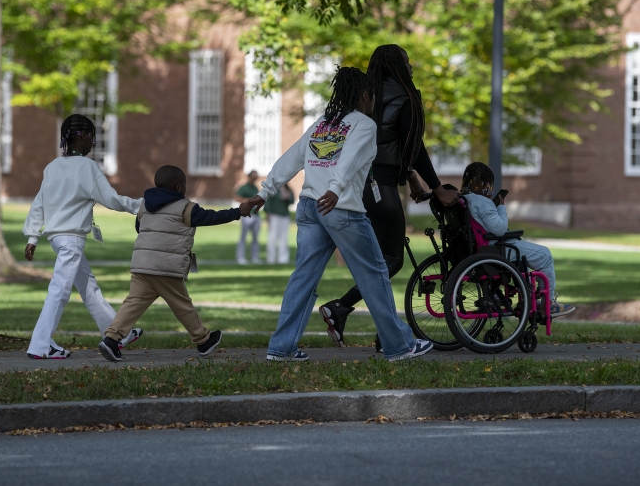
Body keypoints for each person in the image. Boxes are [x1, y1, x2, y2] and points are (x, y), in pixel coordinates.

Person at [244, 67, 434, 362]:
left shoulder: (322, 123)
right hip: (339, 207)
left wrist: (265, 191)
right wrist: (335, 188)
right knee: (374, 274)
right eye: (373, 96)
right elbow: (348, 158)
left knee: (303, 278)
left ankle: (281, 348)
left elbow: (292, 157)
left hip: (309, 206)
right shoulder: (364, 125)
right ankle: (400, 345)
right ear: (365, 95)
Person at [318, 44, 457, 347]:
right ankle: (343, 309)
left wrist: (409, 175)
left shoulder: (363, 95)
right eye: (408, 62)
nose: (411, 68)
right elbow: (413, 145)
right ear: (397, 65)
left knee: (378, 260)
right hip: (379, 184)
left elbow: (383, 142)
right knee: (391, 260)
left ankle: (384, 334)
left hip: (352, 185)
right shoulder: (405, 96)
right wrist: (436, 186)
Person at [98, 165, 251, 361]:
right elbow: (212, 217)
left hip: (142, 265)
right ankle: (203, 340)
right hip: (166, 267)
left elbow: (140, 228)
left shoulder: (144, 206)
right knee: (182, 305)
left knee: (133, 303)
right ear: (179, 188)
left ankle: (111, 339)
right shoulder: (186, 208)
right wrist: (238, 211)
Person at [23, 114, 144, 360]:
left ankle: (118, 331)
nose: (93, 144)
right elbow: (111, 199)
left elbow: (39, 204)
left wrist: (32, 237)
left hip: (57, 240)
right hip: (72, 240)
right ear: (83, 136)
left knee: (89, 288)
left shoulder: (52, 167)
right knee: (59, 291)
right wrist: (143, 205)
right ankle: (40, 345)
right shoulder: (88, 168)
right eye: (92, 137)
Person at [460, 161, 576, 318]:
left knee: (524, 262)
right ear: (484, 185)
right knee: (545, 255)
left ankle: (526, 298)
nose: (490, 191)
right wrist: (500, 206)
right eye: (490, 187)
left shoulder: (463, 200)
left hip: (476, 249)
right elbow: (499, 229)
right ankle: (548, 303)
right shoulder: (483, 202)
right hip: (496, 248)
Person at [235, 170, 262, 264]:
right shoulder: (244, 188)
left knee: (255, 238)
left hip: (256, 215)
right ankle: (240, 257)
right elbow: (237, 197)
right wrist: (247, 201)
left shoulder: (255, 188)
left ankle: (255, 257)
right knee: (243, 237)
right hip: (246, 215)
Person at [265, 183, 295, 264]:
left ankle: (283, 258)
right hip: (274, 215)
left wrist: (287, 197)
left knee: (284, 237)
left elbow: (292, 201)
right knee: (272, 236)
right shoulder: (274, 189)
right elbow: (268, 201)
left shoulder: (288, 189)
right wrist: (267, 212)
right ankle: (270, 258)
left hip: (284, 216)